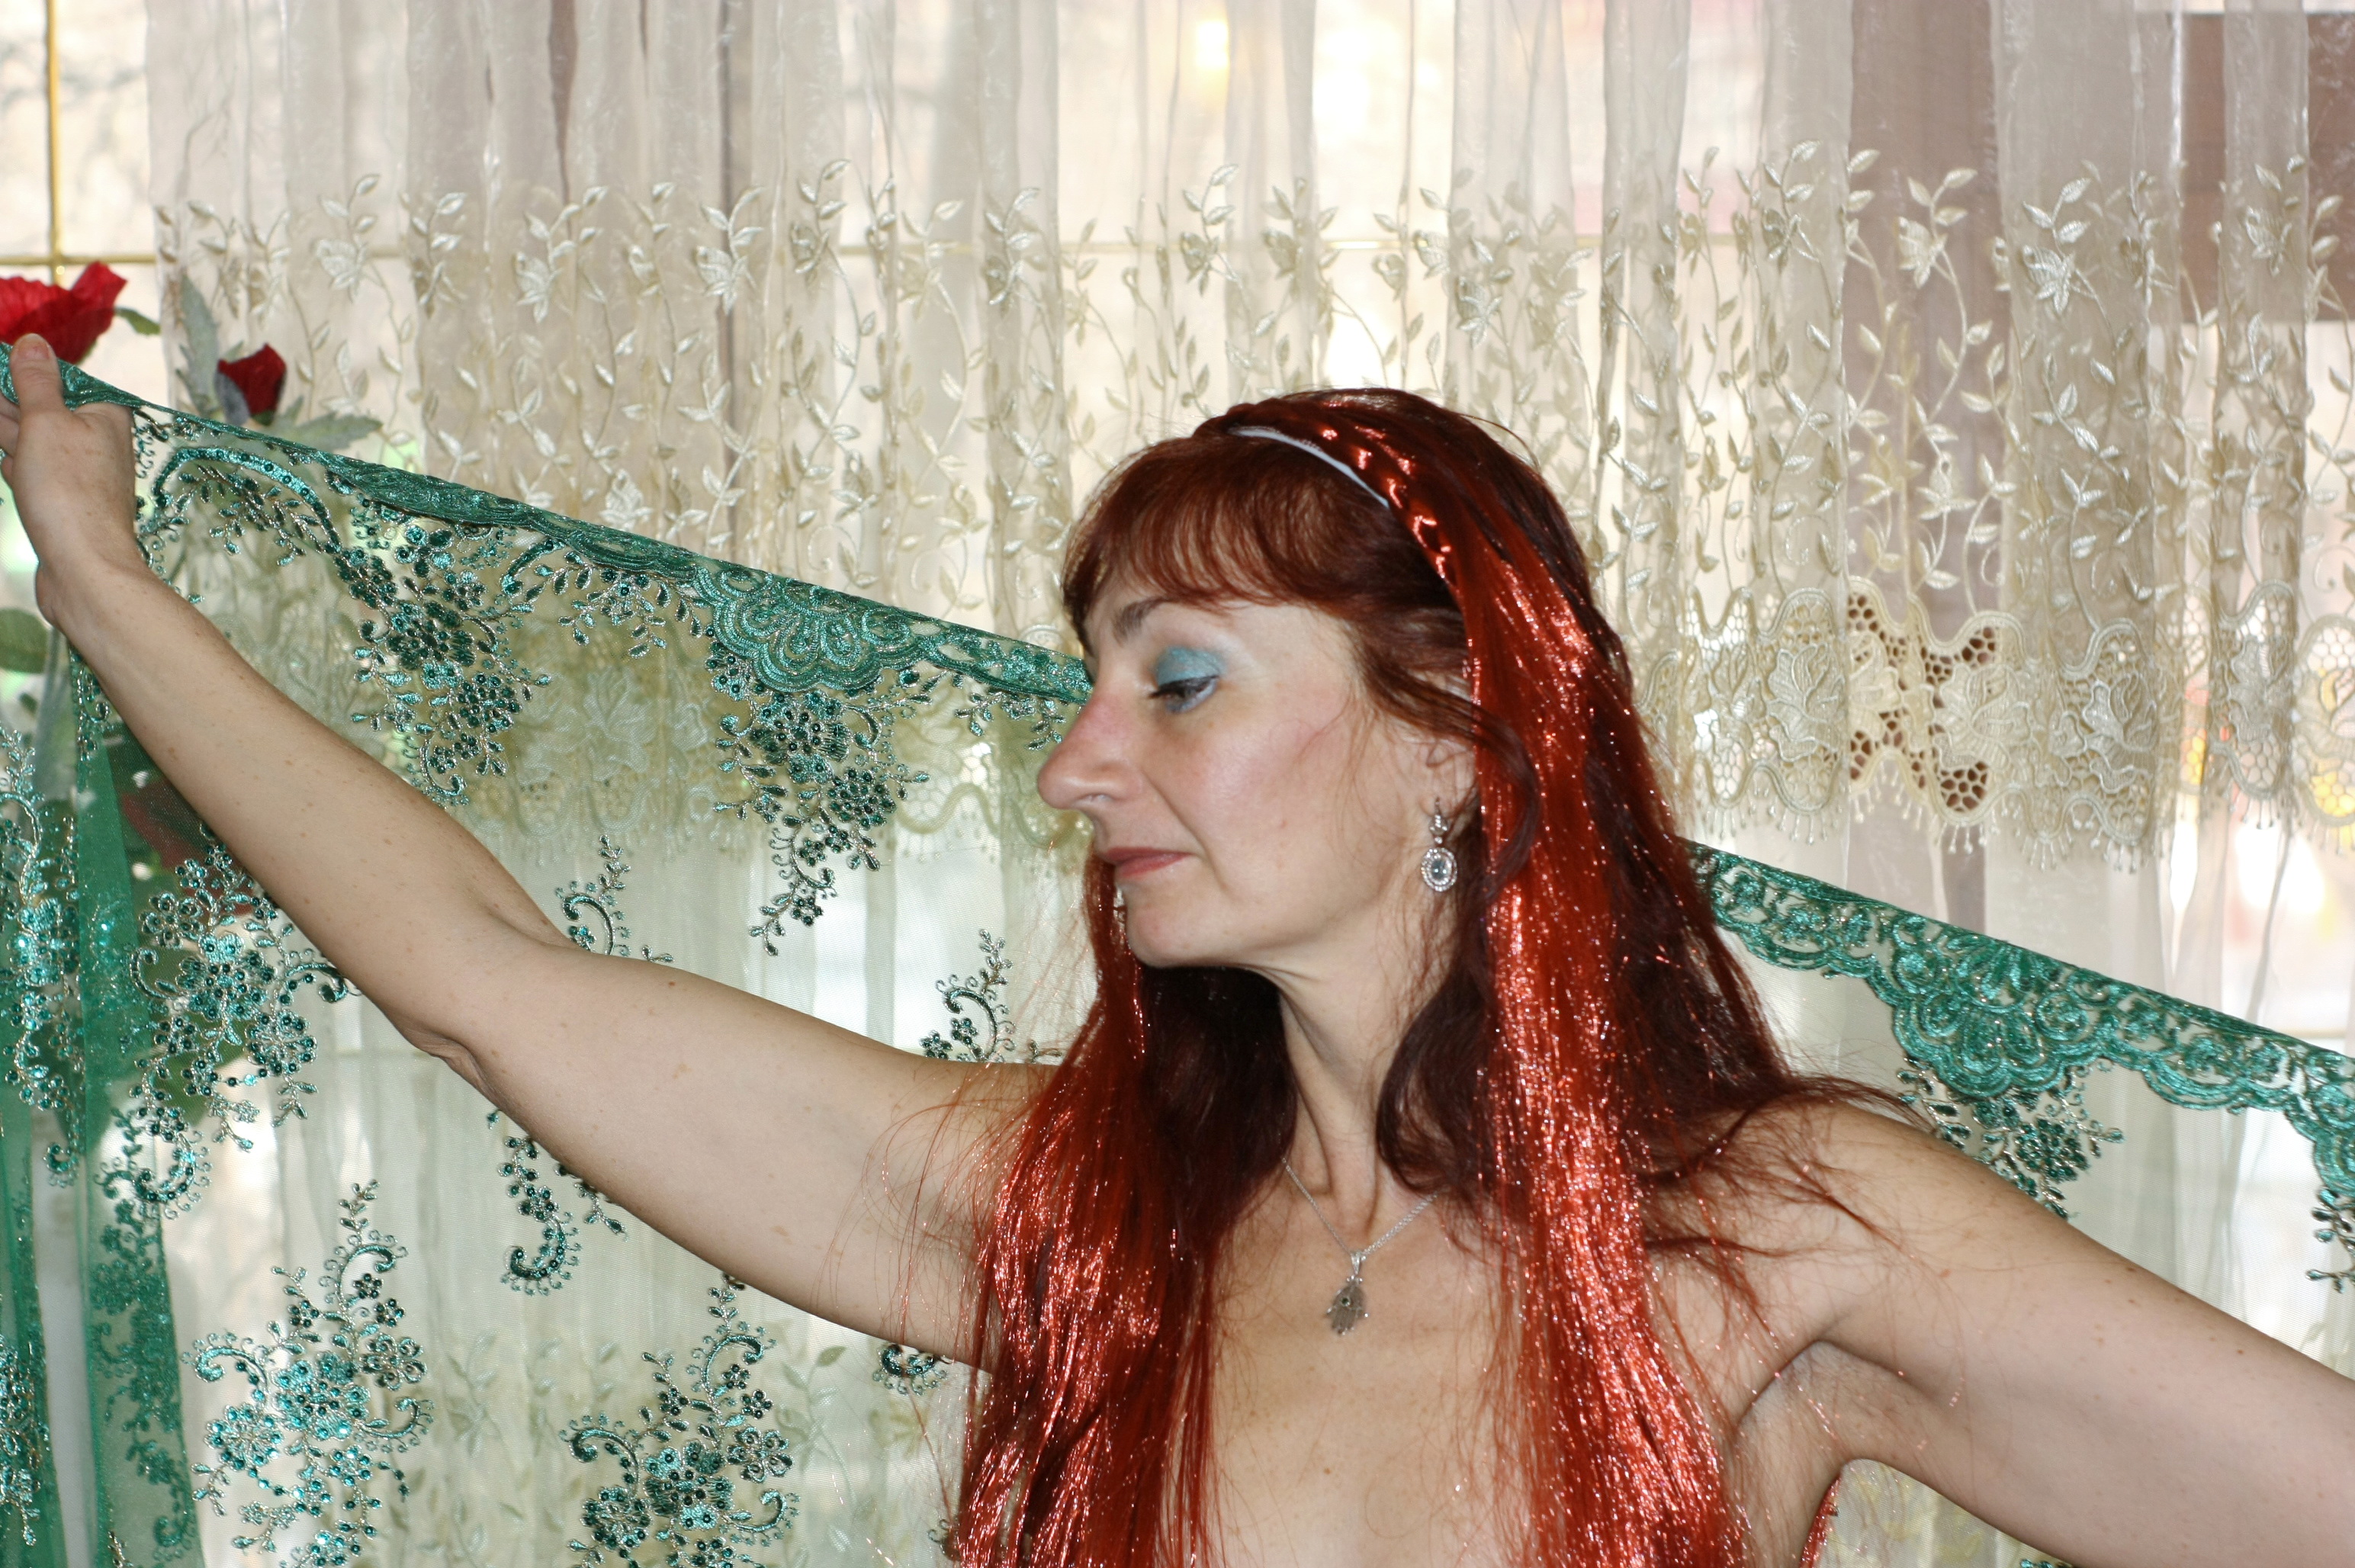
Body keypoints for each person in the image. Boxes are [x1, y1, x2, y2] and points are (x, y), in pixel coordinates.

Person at [2, 331, 2350, 1568]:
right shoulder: (1084, 1232)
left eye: (1182, 680)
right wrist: (99, 585)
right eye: (1088, 680)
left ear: (1453, 744)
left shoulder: (1776, 1239)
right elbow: (486, 983)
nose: (1076, 766)